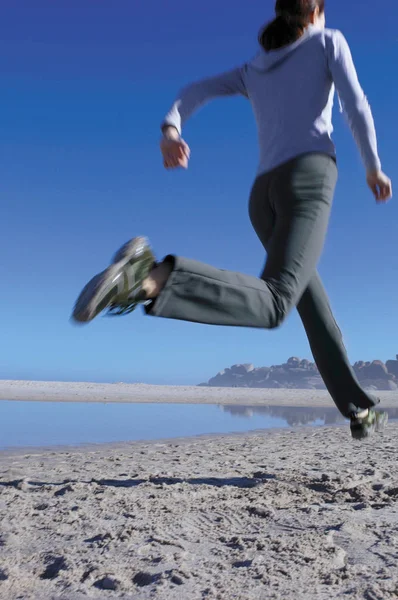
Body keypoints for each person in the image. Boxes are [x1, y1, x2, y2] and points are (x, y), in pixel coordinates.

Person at [72, 0, 393, 440]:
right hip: (308, 180)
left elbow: (194, 90)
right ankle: (150, 277)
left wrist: (171, 129)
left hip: (263, 197)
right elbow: (355, 105)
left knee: (309, 301)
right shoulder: (328, 41)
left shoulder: (254, 68)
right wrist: (373, 165)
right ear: (316, 10)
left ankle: (358, 408)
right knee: (277, 302)